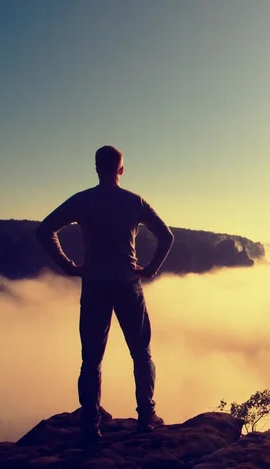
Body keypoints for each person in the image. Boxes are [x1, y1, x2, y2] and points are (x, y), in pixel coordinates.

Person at [36, 146, 174, 442]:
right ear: (121, 170)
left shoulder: (83, 200)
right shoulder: (133, 201)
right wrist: (150, 269)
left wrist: (69, 267)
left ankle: (89, 424)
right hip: (127, 284)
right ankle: (146, 417)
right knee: (141, 353)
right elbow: (166, 236)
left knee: (91, 359)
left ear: (97, 168)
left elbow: (45, 230)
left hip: (95, 284)